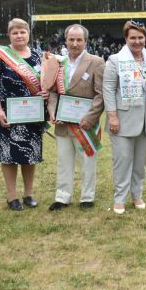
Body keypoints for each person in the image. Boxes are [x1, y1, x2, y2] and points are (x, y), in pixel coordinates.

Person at [0, 18, 49, 211]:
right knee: (8, 156)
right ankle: (12, 196)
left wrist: (47, 92)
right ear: (9, 35)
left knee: (30, 155)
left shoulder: (39, 56)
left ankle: (28, 194)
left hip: (33, 116)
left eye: (22, 32)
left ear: (28, 34)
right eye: (15, 32)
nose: (19, 35)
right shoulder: (0, 56)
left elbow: (49, 83)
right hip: (8, 117)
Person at [47, 24, 105, 211]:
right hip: (63, 123)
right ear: (66, 41)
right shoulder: (58, 62)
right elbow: (53, 91)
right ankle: (62, 196)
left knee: (88, 160)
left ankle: (87, 197)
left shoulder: (96, 62)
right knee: (64, 161)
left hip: (85, 123)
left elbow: (100, 94)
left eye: (79, 39)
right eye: (71, 39)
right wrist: (53, 111)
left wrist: (91, 117)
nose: (75, 43)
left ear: (85, 41)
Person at [103, 21, 146, 214]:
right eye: (133, 37)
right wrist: (112, 116)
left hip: (144, 120)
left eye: (141, 37)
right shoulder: (115, 60)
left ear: (145, 39)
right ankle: (119, 198)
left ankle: (137, 194)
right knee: (123, 161)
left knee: (140, 163)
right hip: (121, 120)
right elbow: (108, 90)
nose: (137, 41)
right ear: (126, 39)